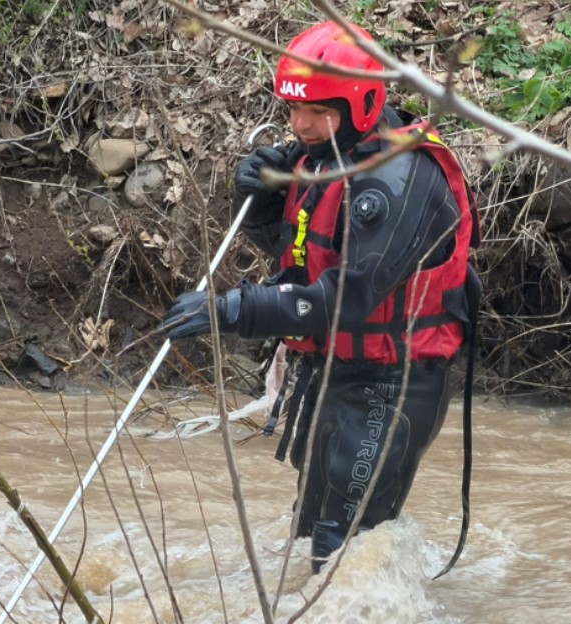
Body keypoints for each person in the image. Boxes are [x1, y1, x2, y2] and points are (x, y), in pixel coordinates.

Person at [160, 20, 481, 573]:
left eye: (318, 113)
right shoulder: (322, 159)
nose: (301, 125)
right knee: (312, 536)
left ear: (363, 104)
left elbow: (343, 300)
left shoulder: (401, 179)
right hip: (332, 370)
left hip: (394, 383)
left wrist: (232, 310)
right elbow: (304, 258)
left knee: (343, 548)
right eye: (293, 110)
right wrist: (262, 210)